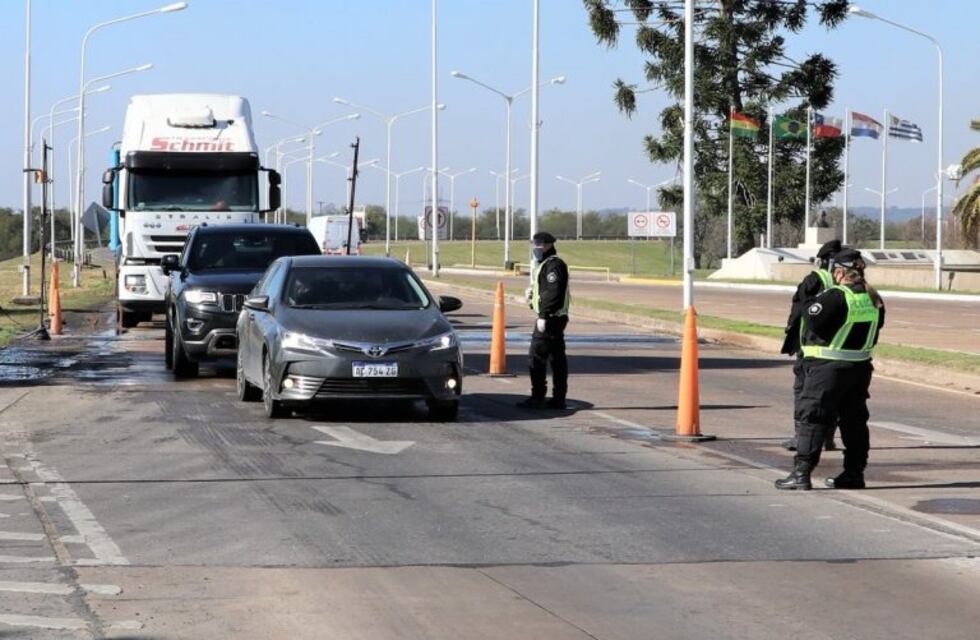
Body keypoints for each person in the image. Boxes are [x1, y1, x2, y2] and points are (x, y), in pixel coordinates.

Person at [776, 248, 885, 490]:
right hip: (859, 369)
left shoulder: (836, 297)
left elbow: (813, 321)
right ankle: (854, 473)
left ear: (838, 272)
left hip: (826, 369)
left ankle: (801, 473)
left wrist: (809, 301)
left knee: (812, 419)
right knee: (854, 422)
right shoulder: (874, 299)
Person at [780, 239, 841, 452]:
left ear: (822, 260)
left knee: (804, 392)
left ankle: (800, 437)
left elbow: (799, 309)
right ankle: (828, 438)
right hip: (838, 346)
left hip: (811, 346)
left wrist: (790, 332)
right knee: (832, 394)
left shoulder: (815, 279)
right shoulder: (846, 282)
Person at [518, 232, 570, 410]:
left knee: (537, 358)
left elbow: (554, 294)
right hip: (555, 318)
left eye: (539, 244)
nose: (536, 248)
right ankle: (558, 398)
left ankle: (538, 396)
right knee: (557, 359)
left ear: (548, 245)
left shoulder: (554, 265)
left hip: (550, 319)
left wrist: (543, 315)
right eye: (534, 244)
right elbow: (544, 291)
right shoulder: (546, 264)